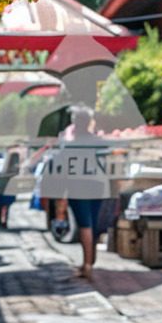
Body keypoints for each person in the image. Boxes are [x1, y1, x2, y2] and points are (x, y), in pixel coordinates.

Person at [63, 106, 109, 281]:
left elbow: (65, 169)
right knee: (92, 224)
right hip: (97, 185)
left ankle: (87, 265)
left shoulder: (71, 143)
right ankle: (89, 262)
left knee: (85, 225)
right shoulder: (98, 141)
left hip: (78, 186)